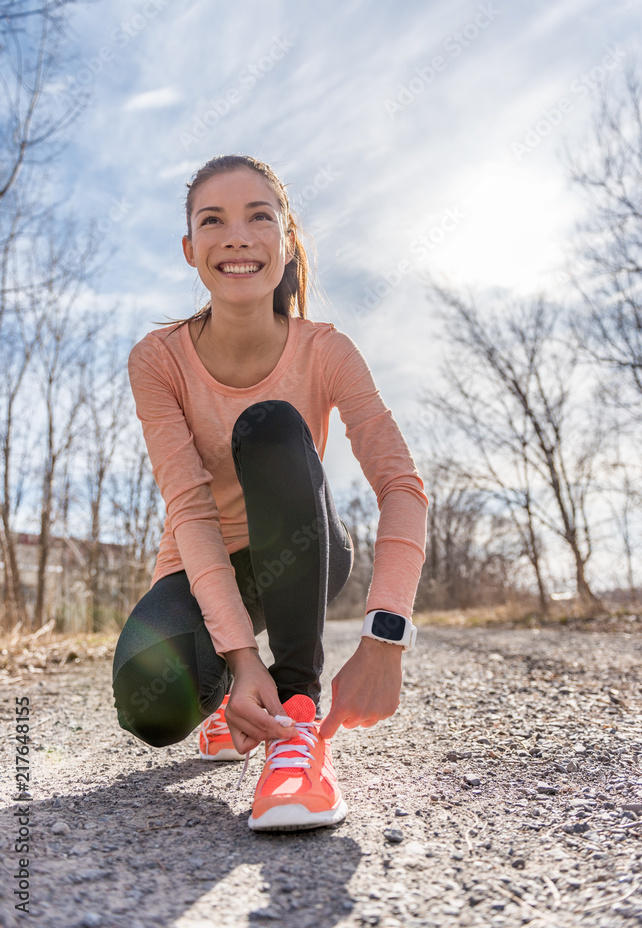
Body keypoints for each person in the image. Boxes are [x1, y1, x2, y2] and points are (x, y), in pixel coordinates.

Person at [112, 154, 428, 832]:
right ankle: (240, 697)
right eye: (212, 220)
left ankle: (296, 724)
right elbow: (191, 511)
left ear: (287, 242)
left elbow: (401, 486)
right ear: (190, 248)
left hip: (306, 545)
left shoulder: (326, 350)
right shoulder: (157, 359)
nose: (237, 236)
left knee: (271, 425)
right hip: (204, 567)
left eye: (260, 217)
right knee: (152, 704)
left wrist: (385, 637)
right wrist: (239, 659)